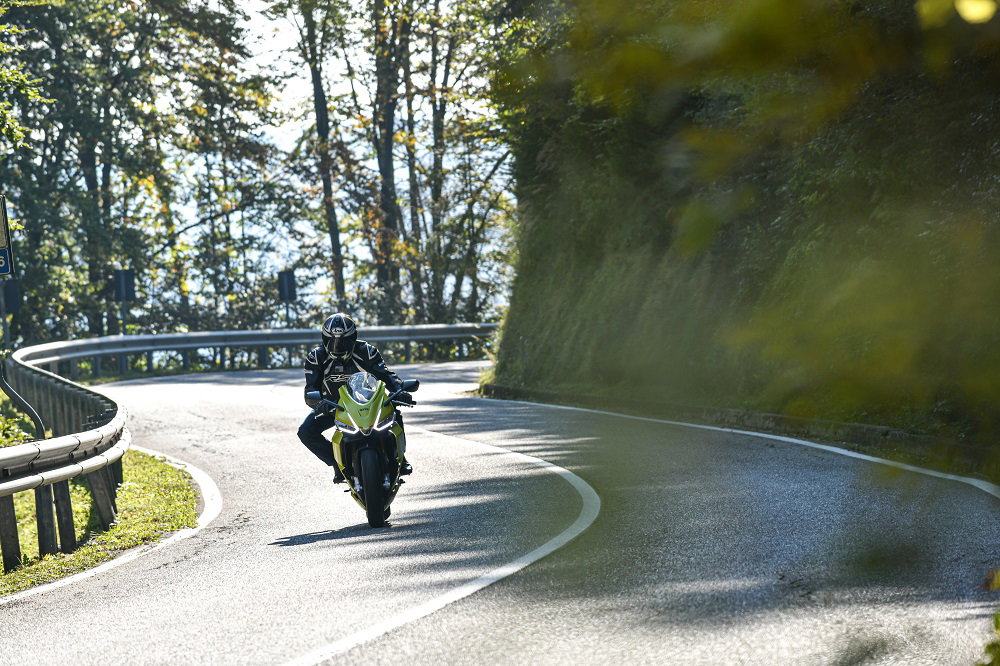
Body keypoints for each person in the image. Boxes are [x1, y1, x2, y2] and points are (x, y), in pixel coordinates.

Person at [297, 312, 413, 482]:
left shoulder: (367, 351)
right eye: (332, 340)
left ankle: (399, 458)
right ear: (324, 338)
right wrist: (318, 403)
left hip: (369, 402)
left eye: (343, 340)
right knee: (305, 432)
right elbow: (310, 389)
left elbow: (387, 375)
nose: (337, 345)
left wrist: (400, 390)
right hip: (334, 406)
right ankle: (337, 463)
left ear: (353, 338)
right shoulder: (316, 358)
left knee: (394, 411)